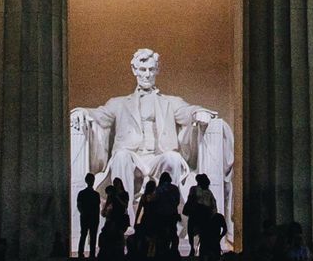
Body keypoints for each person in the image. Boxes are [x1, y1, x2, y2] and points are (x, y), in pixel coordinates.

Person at [70, 48, 233, 230]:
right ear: (134, 70)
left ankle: (170, 216)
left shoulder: (171, 102)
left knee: (173, 157)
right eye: (142, 69)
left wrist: (199, 112)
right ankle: (126, 219)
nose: (146, 74)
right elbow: (100, 114)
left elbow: (187, 111)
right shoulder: (118, 103)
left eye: (151, 69)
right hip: (132, 157)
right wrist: (82, 112)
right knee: (121, 156)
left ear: (157, 70)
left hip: (159, 157)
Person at [154, 172, 181, 261]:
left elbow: (155, 202)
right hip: (171, 214)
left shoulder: (158, 189)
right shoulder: (174, 188)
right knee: (173, 234)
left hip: (161, 216)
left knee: (162, 236)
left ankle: (163, 252)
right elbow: (177, 201)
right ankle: (173, 251)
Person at [184, 174, 217, 257]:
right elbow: (213, 205)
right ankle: (197, 249)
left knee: (193, 231)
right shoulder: (208, 192)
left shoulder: (196, 189)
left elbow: (190, 199)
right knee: (200, 232)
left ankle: (194, 248)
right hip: (202, 213)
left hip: (198, 213)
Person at [134, 180, 157, 261]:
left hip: (146, 218)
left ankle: (145, 257)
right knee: (153, 239)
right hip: (153, 219)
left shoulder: (144, 197)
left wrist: (136, 221)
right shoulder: (155, 197)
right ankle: (151, 257)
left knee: (144, 238)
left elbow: (139, 209)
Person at [77, 173, 101, 259]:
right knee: (92, 235)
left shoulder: (82, 193)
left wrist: (83, 213)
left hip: (86, 217)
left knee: (84, 234)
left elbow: (79, 205)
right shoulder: (96, 194)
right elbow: (97, 207)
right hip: (92, 217)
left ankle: (81, 253)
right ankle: (91, 254)